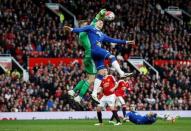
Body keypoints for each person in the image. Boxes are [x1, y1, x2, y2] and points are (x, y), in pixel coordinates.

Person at [64, 18, 135, 103]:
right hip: (94, 50)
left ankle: (93, 94)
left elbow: (113, 40)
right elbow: (81, 29)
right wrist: (71, 29)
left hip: (95, 54)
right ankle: (121, 73)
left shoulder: (102, 34)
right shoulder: (91, 28)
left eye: (103, 23)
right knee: (111, 56)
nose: (101, 23)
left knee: (101, 72)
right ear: (96, 23)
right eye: (100, 21)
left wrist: (126, 42)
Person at [67, 9, 106, 103]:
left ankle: (73, 91)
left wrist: (99, 16)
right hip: (91, 55)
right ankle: (79, 97)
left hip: (87, 56)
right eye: (85, 24)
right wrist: (99, 14)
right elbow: (93, 23)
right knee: (91, 80)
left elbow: (94, 24)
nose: (87, 25)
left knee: (88, 78)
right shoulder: (83, 32)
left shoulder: (82, 34)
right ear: (81, 26)